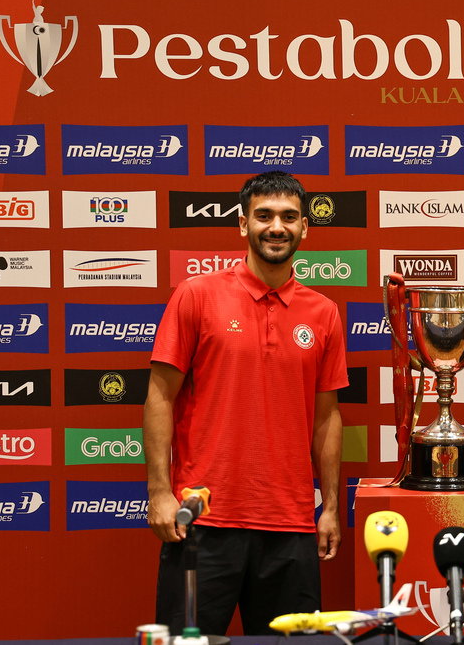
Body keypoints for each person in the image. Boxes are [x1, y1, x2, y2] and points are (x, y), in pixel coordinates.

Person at [143, 171, 347, 635]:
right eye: (264, 215)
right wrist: (159, 492)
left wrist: (331, 507)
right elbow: (159, 396)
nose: (277, 227)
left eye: (289, 217)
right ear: (242, 224)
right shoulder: (196, 295)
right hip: (201, 519)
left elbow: (327, 417)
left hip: (291, 524)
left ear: (304, 227)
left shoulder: (324, 312)